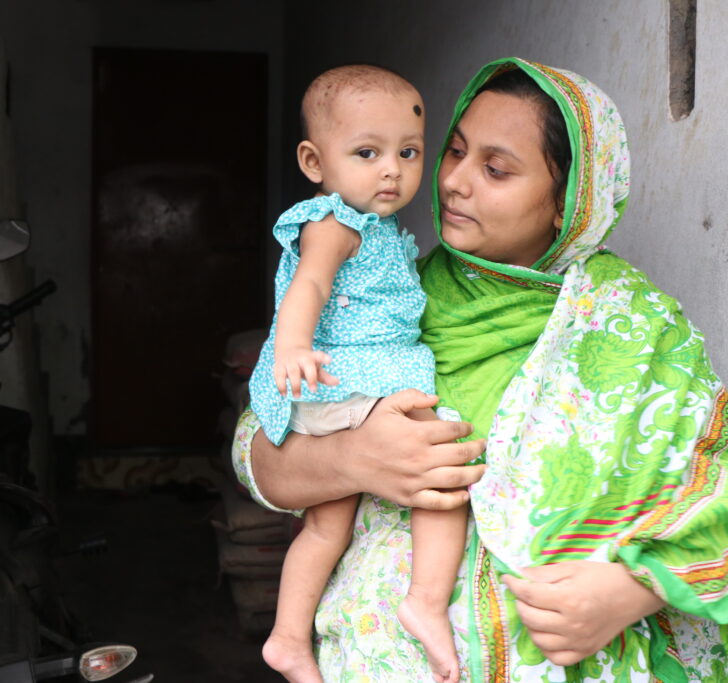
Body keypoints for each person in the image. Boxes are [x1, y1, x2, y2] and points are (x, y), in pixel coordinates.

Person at [233, 57, 728, 682]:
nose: (455, 180)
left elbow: (726, 494)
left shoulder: (632, 325)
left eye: (495, 168)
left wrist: (633, 590)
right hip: (374, 658)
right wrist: (351, 459)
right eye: (454, 152)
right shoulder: (390, 298)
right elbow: (257, 442)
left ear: (567, 202)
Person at [251, 64, 465, 683]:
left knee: (326, 524)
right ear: (314, 162)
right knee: (437, 456)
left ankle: (288, 639)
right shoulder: (334, 223)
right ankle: (425, 602)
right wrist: (292, 345)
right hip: (343, 376)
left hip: (344, 379)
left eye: (408, 151)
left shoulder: (380, 230)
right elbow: (309, 284)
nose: (392, 169)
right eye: (367, 152)